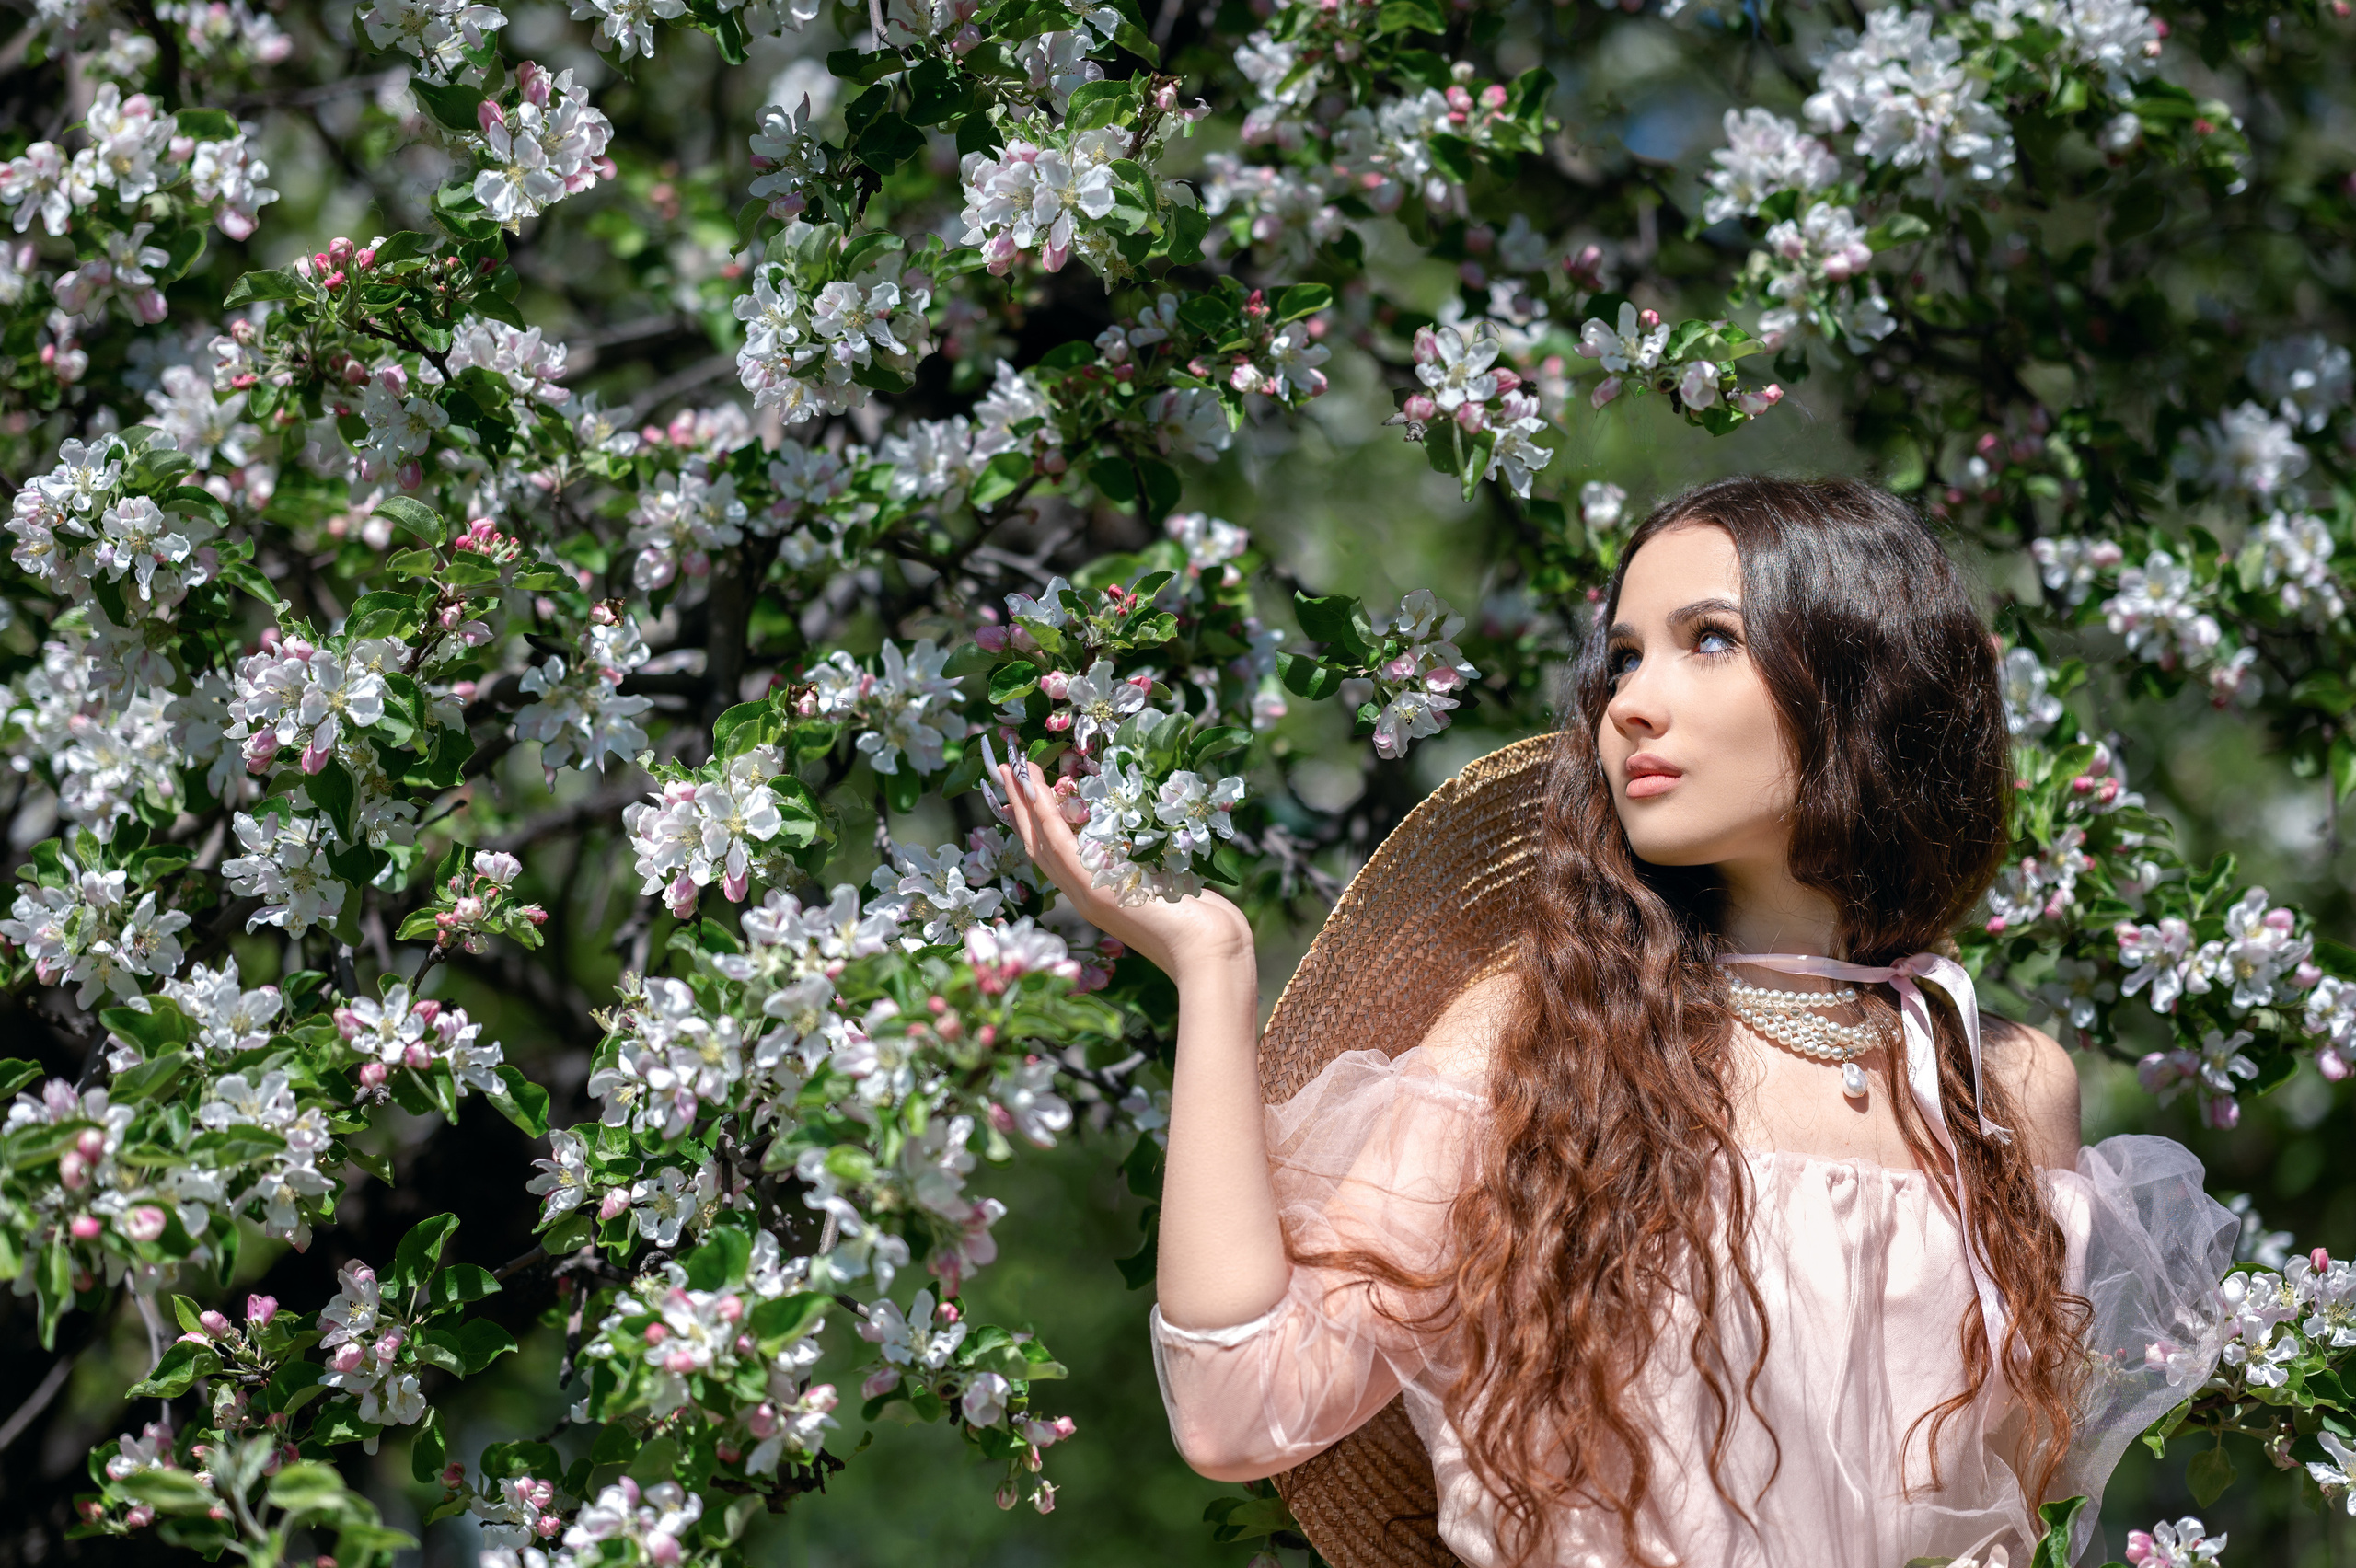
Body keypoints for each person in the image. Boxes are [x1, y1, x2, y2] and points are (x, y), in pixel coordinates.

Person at [990, 476, 2238, 1568]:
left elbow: (2004, 1504)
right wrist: (1211, 972)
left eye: (1707, 640)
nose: (1633, 702)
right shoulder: (1542, 1042)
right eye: (1625, 657)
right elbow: (1235, 1407)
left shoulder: (1997, 1082)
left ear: (1864, 683)